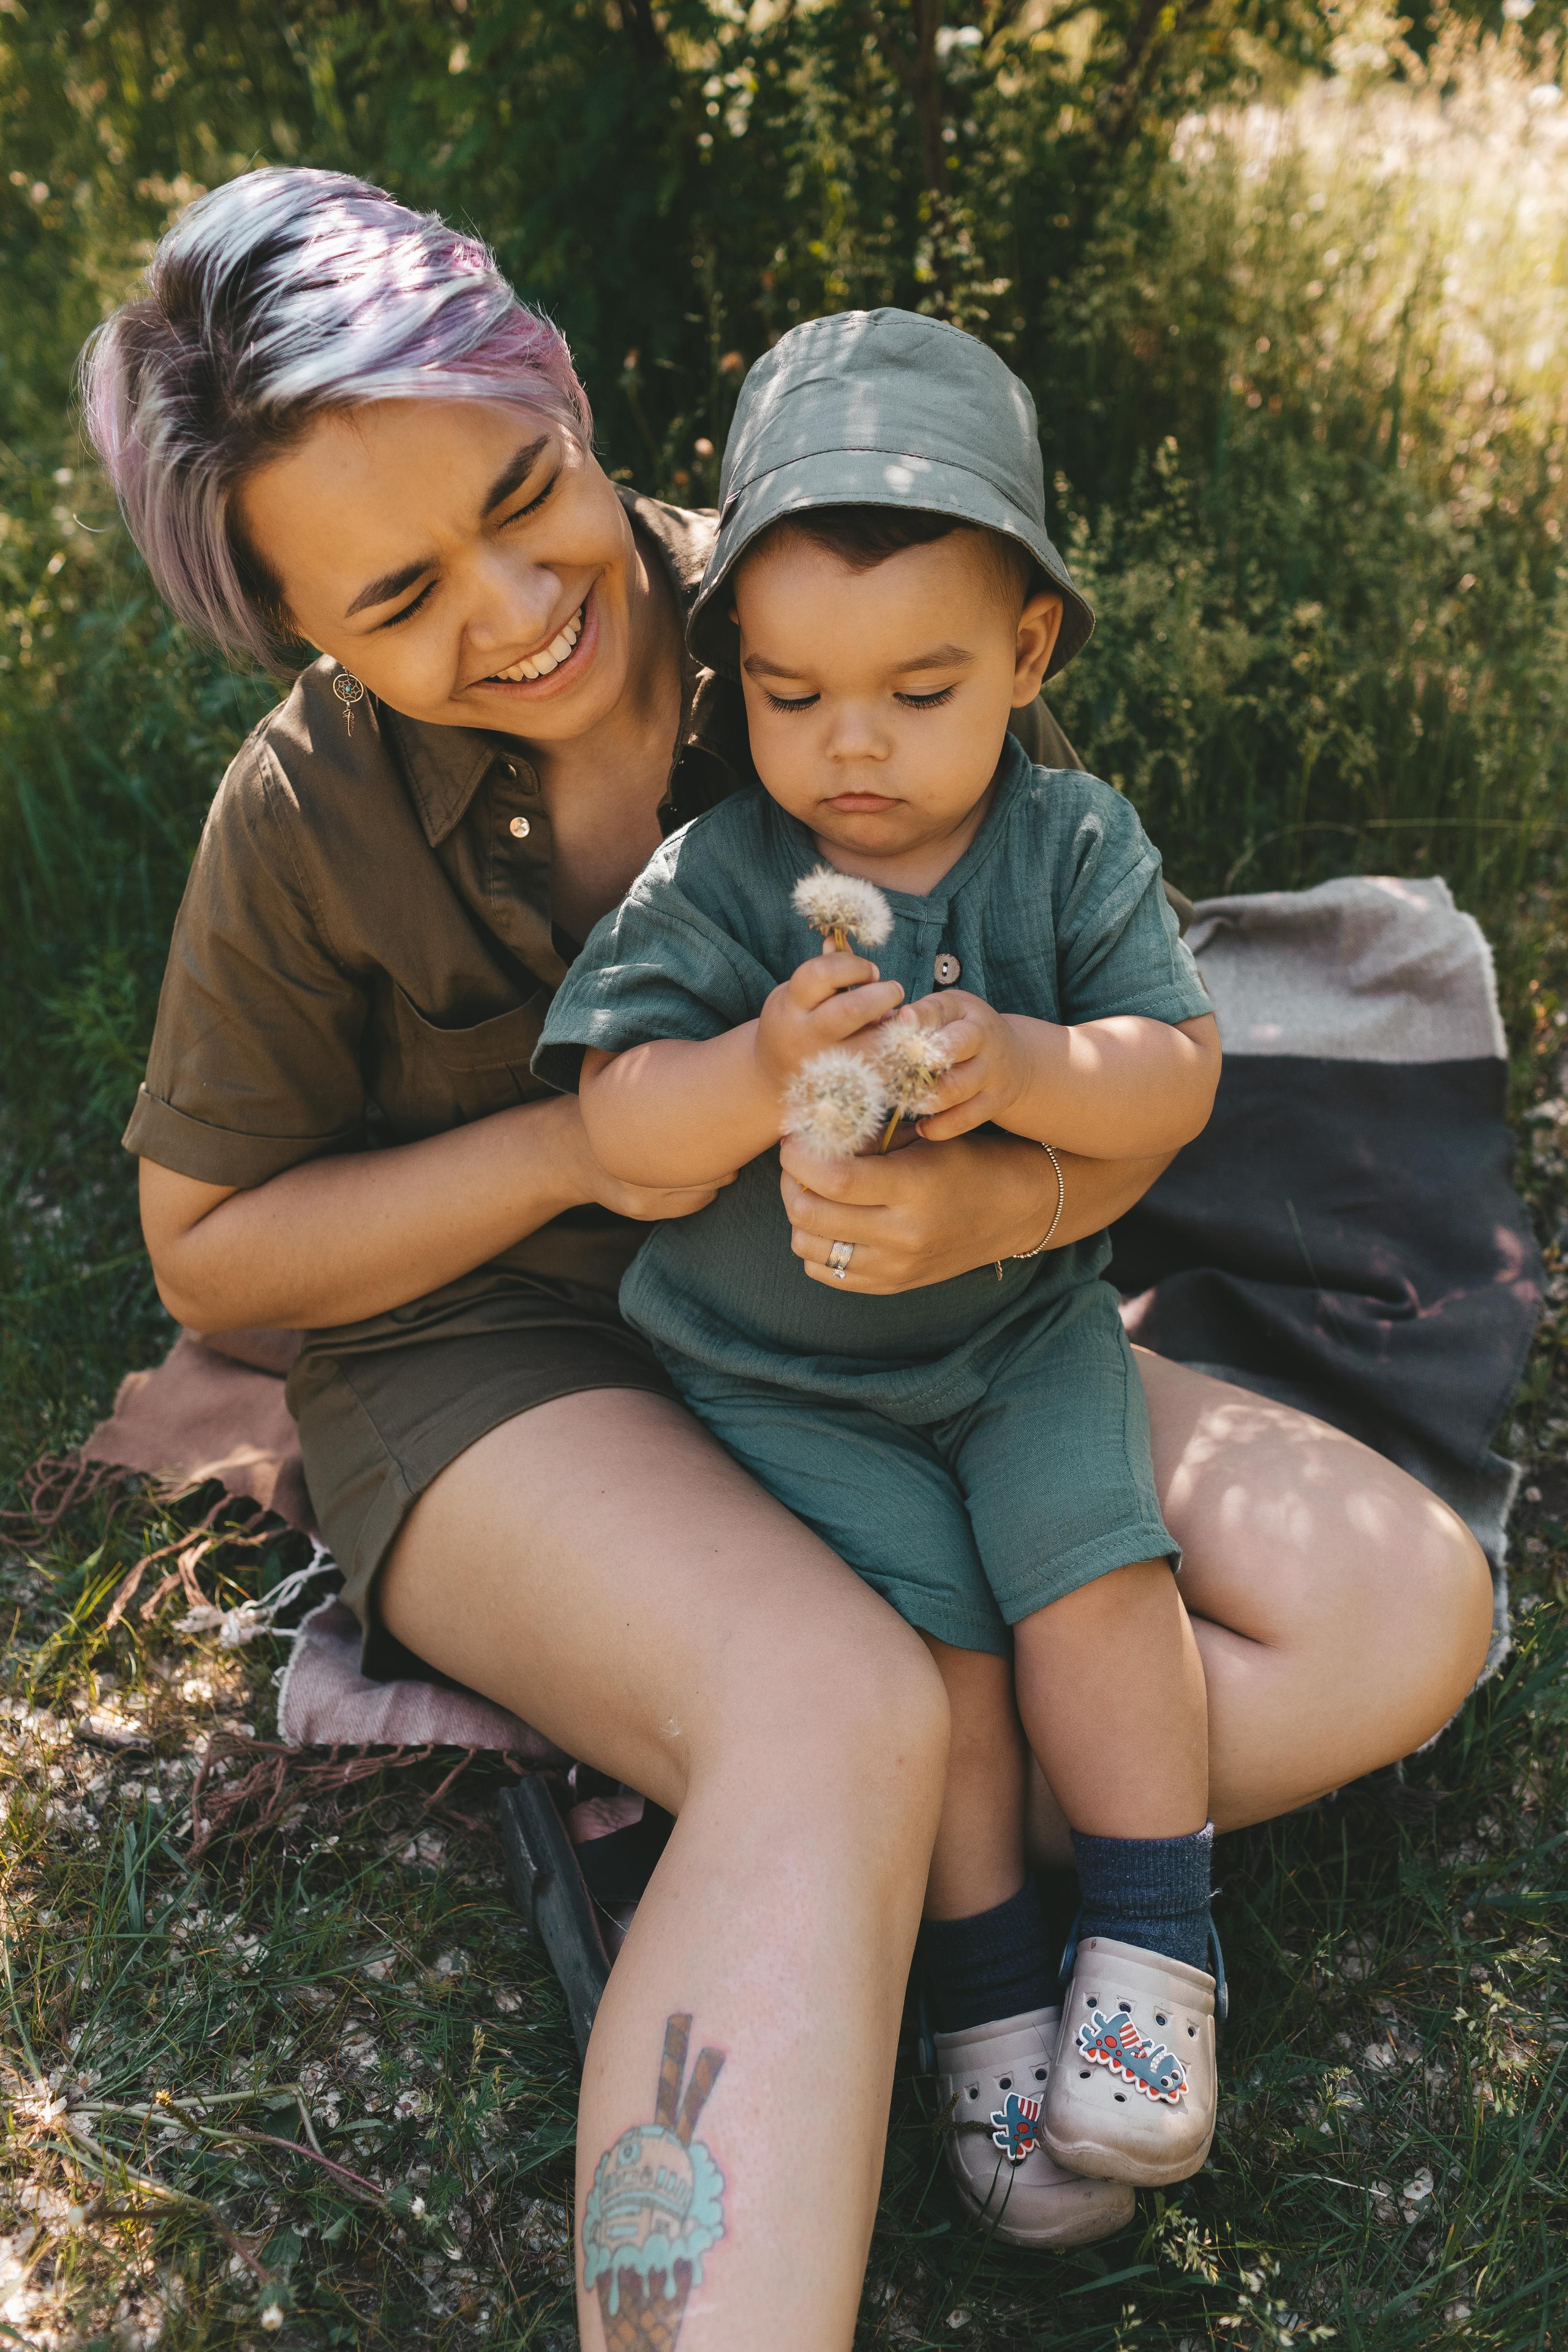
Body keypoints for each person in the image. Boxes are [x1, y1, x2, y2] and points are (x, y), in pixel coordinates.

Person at [80, 165, 1495, 2349]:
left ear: (553, 388)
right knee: (828, 1706)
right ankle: (855, 1848)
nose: (519, 603)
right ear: (307, 639)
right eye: (397, 597)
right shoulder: (304, 820)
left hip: (907, 1313)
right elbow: (217, 1260)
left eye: (524, 491)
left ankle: (924, 1853)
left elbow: (1077, 1028)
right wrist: (583, 1143)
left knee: (1401, 1611)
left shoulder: (829, 592)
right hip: (506, 1366)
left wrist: (1004, 1199)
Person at [535, 311, 1224, 2241]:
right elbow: (617, 1128)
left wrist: (1027, 1070)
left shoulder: (1071, 848)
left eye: (921, 692)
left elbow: (1176, 1076)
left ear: (1028, 653)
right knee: (950, 1677)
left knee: (1095, 1586)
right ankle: (993, 1995)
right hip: (784, 1382)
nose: (852, 748)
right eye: (792, 692)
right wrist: (755, 1069)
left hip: (1020, 1341)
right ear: (731, 676)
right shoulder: (722, 879)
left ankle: (1160, 1960)